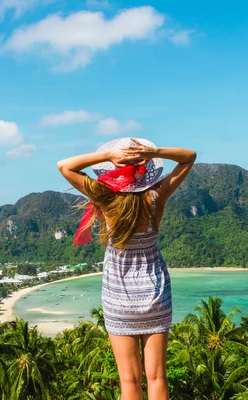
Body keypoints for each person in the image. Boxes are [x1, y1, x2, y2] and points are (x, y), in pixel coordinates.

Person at [57, 137, 196, 400]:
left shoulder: (105, 195)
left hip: (119, 296)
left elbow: (65, 166)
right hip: (155, 292)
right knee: (157, 377)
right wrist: (154, 151)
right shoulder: (157, 195)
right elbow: (189, 156)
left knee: (129, 381)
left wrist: (109, 156)